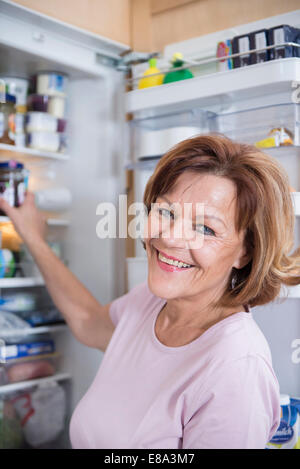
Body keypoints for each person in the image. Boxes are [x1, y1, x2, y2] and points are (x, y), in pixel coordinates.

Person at [2, 134, 298, 449]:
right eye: (166, 212)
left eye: (205, 229)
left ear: (246, 252)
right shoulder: (152, 301)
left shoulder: (236, 370)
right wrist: (33, 236)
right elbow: (89, 321)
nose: (169, 238)